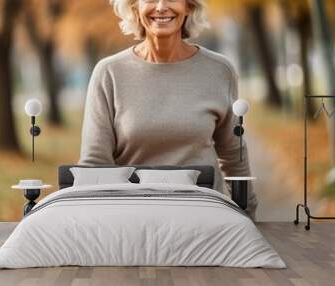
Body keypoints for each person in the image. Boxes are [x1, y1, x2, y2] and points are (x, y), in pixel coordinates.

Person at [78, 0, 258, 219]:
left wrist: (247, 215)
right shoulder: (109, 73)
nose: (161, 7)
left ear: (189, 7)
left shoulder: (220, 70)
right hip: (132, 218)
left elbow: (233, 154)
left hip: (204, 217)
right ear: (135, 8)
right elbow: (95, 163)